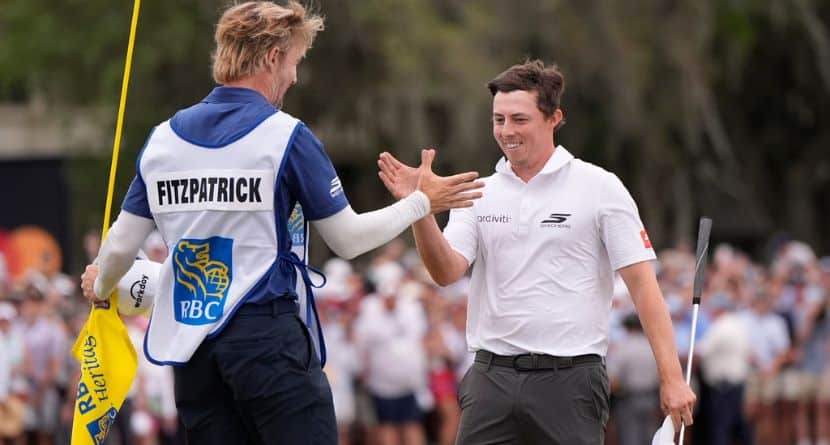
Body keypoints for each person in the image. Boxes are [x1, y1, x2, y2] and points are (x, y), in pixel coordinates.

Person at [79, 2, 482, 444]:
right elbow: (347, 239)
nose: (293, 75)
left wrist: (100, 288)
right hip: (265, 341)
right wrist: (421, 202)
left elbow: (118, 247)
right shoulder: (285, 134)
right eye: (293, 61)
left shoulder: (163, 138)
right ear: (272, 57)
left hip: (193, 356)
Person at [377, 60, 696, 444]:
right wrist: (421, 208)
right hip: (490, 379)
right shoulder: (477, 192)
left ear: (553, 118)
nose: (507, 131)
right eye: (498, 120)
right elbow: (446, 272)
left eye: (519, 119)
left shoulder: (600, 187)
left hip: (571, 381)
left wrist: (672, 378)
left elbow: (644, 287)